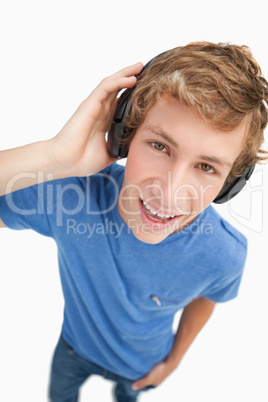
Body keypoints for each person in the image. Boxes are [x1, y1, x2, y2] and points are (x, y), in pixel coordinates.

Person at [0, 42, 267, 402]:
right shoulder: (69, 198)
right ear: (125, 134)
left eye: (206, 167)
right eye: (159, 146)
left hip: (140, 365)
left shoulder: (225, 254)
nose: (170, 193)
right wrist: (54, 157)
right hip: (73, 349)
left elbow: (207, 295)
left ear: (229, 184)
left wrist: (174, 360)